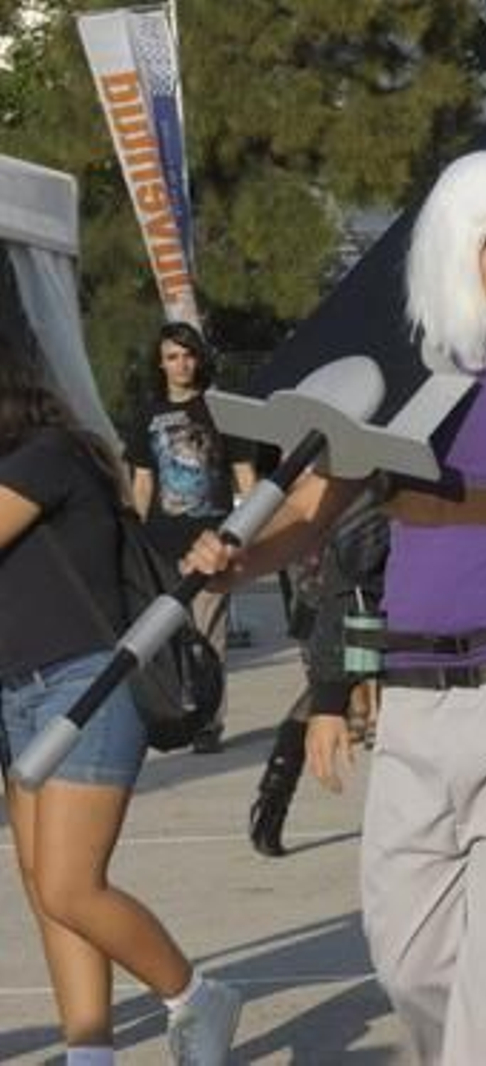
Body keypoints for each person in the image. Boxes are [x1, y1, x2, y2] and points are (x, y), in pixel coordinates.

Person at [184, 148, 486, 1064]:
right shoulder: (405, 394)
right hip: (412, 704)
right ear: (454, 256)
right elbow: (304, 529)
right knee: (411, 964)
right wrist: (231, 562)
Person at [0, 351, 240, 1065]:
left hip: (87, 685)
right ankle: (89, 1052)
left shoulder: (49, 456)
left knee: (71, 884)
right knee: (50, 889)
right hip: (17, 694)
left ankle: (194, 996)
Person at [125, 321, 256, 753]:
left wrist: (250, 531)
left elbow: (245, 476)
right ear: (160, 364)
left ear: (198, 358)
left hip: (212, 541)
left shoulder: (221, 410)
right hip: (161, 542)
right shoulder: (146, 417)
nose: (181, 364)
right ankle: (170, 710)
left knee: (208, 633)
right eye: (172, 357)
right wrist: (132, 537)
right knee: (165, 635)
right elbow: (142, 483)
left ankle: (208, 721)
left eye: (187, 354)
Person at [247, 491, 388, 857]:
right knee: (338, 681)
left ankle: (271, 802)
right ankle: (272, 802)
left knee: (341, 680)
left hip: (331, 570)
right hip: (344, 574)